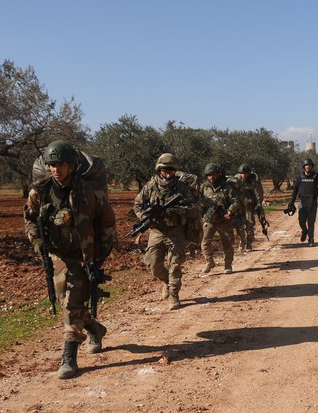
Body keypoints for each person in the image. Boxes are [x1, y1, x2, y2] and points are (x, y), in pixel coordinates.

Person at [24, 140, 116, 379]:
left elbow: (107, 225)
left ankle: (69, 355)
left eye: (61, 164)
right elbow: (30, 221)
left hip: (84, 256)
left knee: (71, 303)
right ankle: (95, 328)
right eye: (52, 164)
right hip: (58, 255)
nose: (56, 169)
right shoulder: (40, 191)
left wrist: (98, 258)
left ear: (72, 165)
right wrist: (37, 243)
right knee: (70, 301)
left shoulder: (89, 192)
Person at [133, 153, 198, 311]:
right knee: (153, 265)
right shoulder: (150, 186)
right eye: (165, 170)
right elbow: (137, 205)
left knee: (175, 264)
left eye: (171, 170)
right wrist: (146, 218)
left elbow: (194, 209)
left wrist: (177, 210)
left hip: (175, 231)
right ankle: (167, 282)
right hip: (156, 232)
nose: (168, 174)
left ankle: (174, 295)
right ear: (159, 169)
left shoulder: (182, 188)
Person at [200, 162, 242, 273]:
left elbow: (236, 201)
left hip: (224, 220)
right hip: (209, 220)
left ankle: (228, 265)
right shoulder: (204, 187)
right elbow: (197, 200)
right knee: (205, 242)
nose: (211, 177)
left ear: (218, 174)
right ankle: (209, 262)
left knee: (227, 243)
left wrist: (230, 211)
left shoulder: (226, 187)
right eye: (209, 175)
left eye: (213, 174)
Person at [287, 158, 318, 246]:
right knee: (301, 221)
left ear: (312, 166)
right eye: (306, 165)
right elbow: (295, 190)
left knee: (311, 221)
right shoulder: (299, 177)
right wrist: (291, 202)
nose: (308, 167)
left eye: (309, 165)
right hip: (302, 201)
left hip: (313, 201)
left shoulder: (316, 176)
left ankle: (311, 238)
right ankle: (305, 231)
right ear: (304, 167)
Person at [235, 163, 265, 250]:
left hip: (249, 207)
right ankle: (241, 243)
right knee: (239, 226)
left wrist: (259, 204)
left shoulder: (253, 181)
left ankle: (249, 244)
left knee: (249, 226)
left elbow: (258, 193)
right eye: (242, 173)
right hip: (239, 208)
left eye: (245, 173)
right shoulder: (235, 180)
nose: (243, 175)